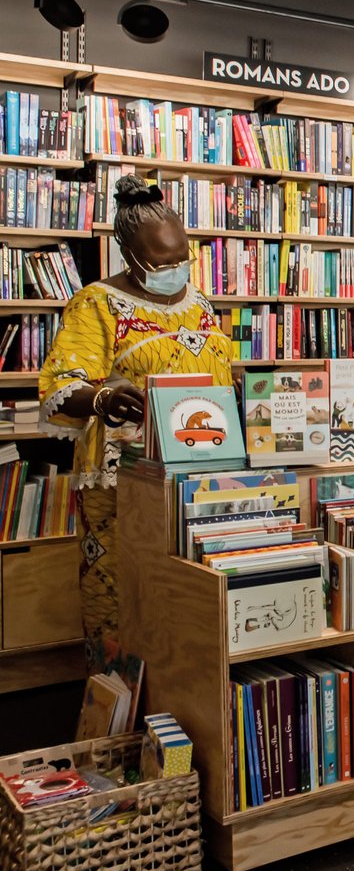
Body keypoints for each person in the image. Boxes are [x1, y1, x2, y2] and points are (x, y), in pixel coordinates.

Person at [39, 176, 233, 674]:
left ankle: (187, 704)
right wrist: (102, 396)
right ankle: (119, 708)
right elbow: (62, 384)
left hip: (198, 468)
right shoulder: (96, 303)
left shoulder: (201, 304)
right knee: (122, 594)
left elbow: (218, 375)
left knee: (186, 590)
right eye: (161, 263)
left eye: (181, 259)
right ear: (127, 253)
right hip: (121, 480)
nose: (174, 271)